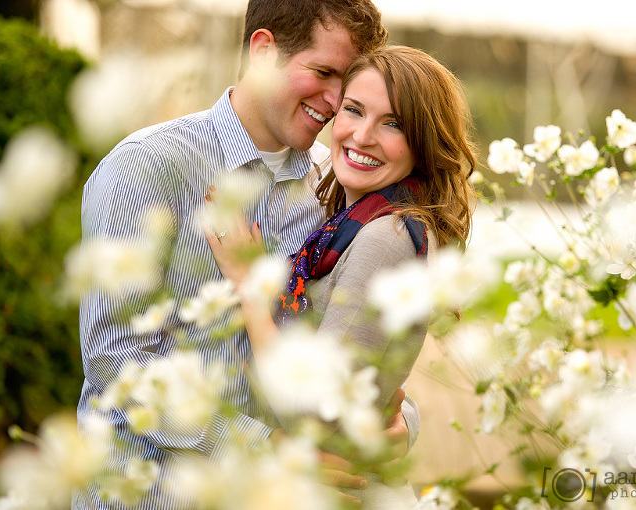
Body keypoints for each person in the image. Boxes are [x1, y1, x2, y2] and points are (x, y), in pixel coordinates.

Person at [75, 1, 417, 508]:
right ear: (263, 52)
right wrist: (268, 450)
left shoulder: (338, 182)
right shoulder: (146, 167)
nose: (332, 101)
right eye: (322, 72)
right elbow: (117, 367)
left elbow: (354, 340)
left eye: (344, 85)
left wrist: (399, 425)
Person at [204, 45, 477, 509]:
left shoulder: (385, 236)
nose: (362, 135)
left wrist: (251, 288)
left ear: (423, 143)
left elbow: (318, 405)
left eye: (394, 124)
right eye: (353, 110)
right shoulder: (345, 225)